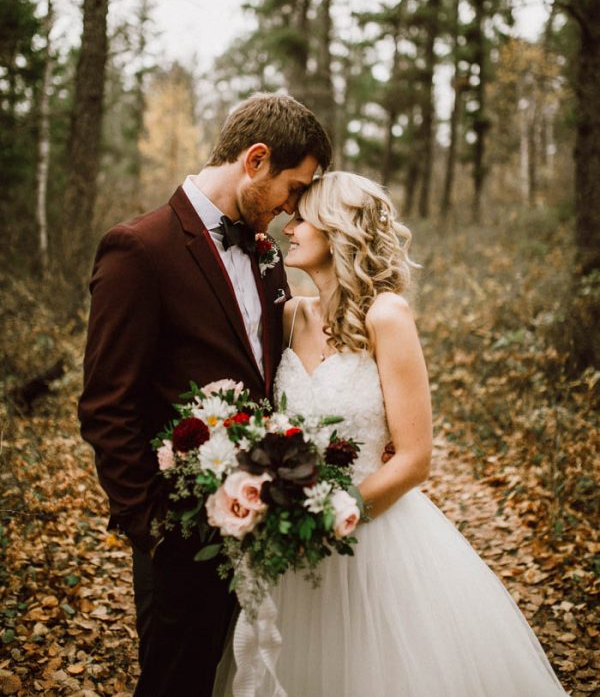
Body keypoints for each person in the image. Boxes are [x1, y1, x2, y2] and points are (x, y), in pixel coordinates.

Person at [215, 170, 566, 697]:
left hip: (373, 537)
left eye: (304, 216)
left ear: (338, 229)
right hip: (291, 549)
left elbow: (414, 458)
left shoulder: (388, 316)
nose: (290, 226)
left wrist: (336, 513)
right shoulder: (288, 317)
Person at [78, 93, 332, 697]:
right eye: (292, 189)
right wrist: (153, 528)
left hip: (261, 529)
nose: (292, 208)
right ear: (256, 160)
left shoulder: (268, 255)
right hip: (181, 539)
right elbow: (106, 405)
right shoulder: (137, 249)